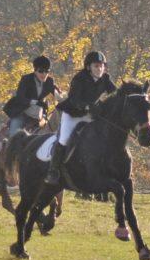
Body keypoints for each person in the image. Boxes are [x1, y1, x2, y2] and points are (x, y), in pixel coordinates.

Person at [45, 51, 116, 186]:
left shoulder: (105, 78)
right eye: (96, 66)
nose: (100, 69)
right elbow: (74, 99)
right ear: (88, 67)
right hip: (73, 114)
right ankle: (53, 171)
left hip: (90, 116)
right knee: (64, 139)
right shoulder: (79, 78)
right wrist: (88, 106)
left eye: (101, 66)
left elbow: (116, 94)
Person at [3, 55, 61, 137]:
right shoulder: (26, 80)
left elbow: (58, 93)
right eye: (41, 71)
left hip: (37, 118)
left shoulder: (50, 81)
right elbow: (20, 98)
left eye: (47, 71)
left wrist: (64, 100)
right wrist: (35, 102)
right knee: (14, 136)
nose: (44, 74)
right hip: (22, 114)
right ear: (35, 70)